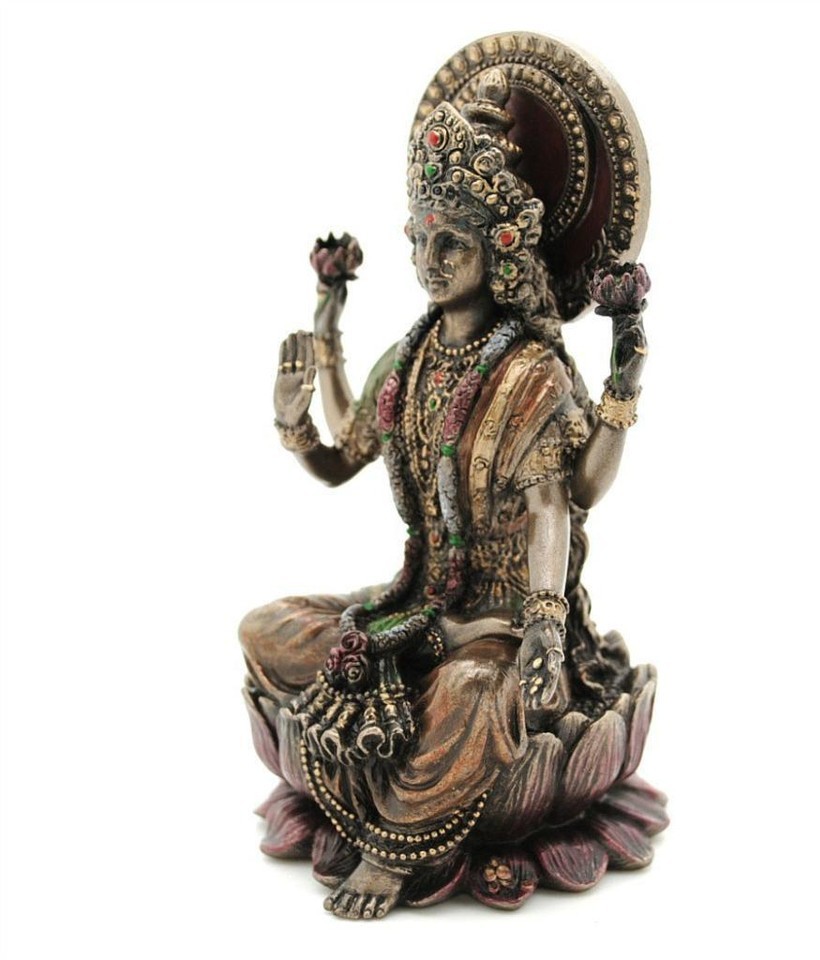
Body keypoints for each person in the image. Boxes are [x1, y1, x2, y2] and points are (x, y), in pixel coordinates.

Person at [240, 70, 655, 920]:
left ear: (499, 248)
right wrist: (295, 413)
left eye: (452, 245)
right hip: (416, 605)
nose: (429, 264)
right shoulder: (409, 362)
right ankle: (408, 734)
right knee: (267, 628)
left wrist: (544, 626)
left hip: (502, 625)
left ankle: (396, 844)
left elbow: (556, 504)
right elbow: (341, 457)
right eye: (421, 241)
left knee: (467, 695)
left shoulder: (531, 373)